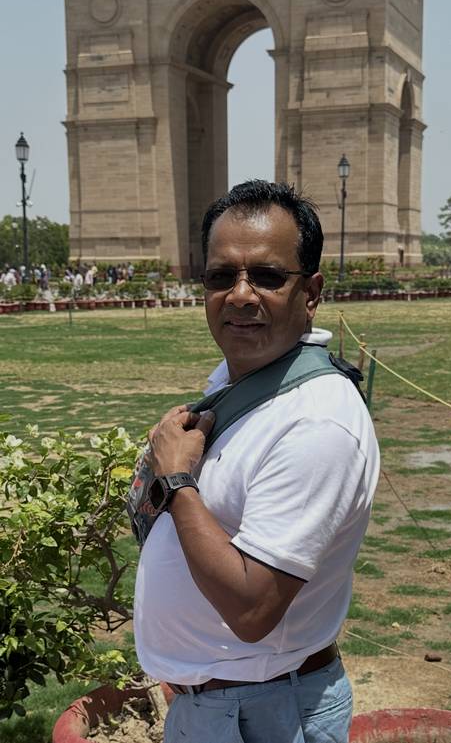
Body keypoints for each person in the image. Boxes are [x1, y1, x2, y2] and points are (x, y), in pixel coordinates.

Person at [134, 180, 379, 743]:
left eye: (267, 276)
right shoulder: (245, 380)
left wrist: (176, 480)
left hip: (263, 714)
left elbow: (252, 609)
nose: (240, 295)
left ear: (311, 292)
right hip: (226, 703)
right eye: (222, 276)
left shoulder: (317, 423)